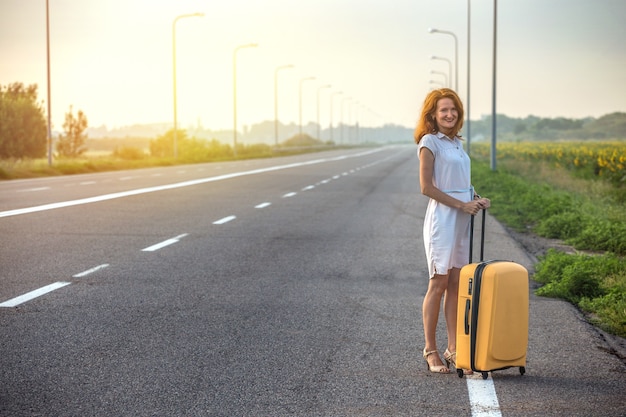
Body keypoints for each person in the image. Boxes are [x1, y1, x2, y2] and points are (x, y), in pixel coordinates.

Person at [414, 88, 490, 374]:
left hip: (461, 218)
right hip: (442, 221)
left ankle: (454, 348)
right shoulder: (429, 142)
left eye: (453, 109)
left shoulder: (457, 143)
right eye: (443, 110)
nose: (449, 114)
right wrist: (461, 204)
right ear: (432, 114)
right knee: (439, 283)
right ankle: (430, 350)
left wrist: (476, 198)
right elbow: (427, 188)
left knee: (457, 284)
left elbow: (460, 181)